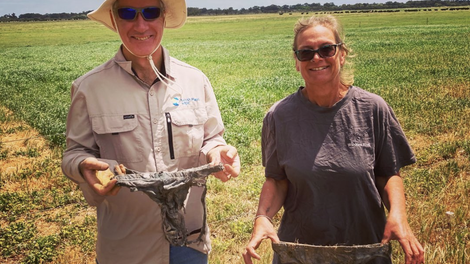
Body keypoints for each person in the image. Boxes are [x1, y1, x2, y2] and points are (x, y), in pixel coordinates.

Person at [61, 0, 240, 263]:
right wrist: (82, 165)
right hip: (125, 246)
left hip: (189, 243)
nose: (141, 24)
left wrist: (217, 152)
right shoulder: (89, 88)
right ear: (114, 19)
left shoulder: (195, 80)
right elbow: (73, 154)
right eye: (128, 13)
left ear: (164, 16)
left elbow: (212, 138)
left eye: (151, 12)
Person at [243, 15, 424, 264]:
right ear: (296, 61)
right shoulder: (279, 117)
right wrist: (262, 217)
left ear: (342, 54)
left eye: (326, 49)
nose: (316, 58)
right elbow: (277, 179)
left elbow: (389, 173)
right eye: (306, 53)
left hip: (365, 251)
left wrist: (398, 216)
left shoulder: (372, 109)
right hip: (300, 252)